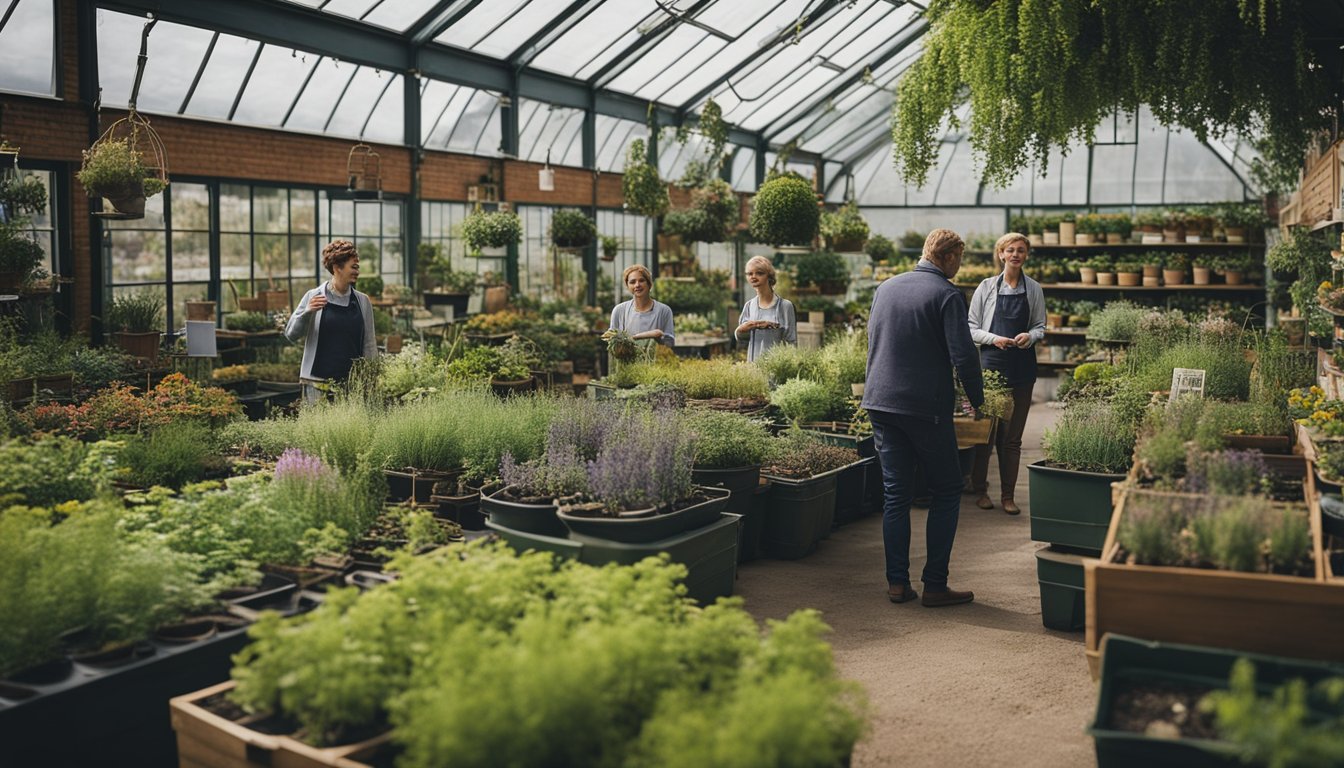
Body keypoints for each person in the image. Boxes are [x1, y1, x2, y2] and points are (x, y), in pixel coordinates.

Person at [862, 228, 983, 608]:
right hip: (923, 406)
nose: (959, 267)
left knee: (896, 495)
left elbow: (873, 338)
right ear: (947, 257)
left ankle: (897, 584)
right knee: (947, 489)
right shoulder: (947, 294)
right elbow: (963, 355)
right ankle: (934, 585)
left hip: (880, 401)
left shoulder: (886, 288)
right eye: (959, 259)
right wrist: (977, 401)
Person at [966, 233, 1045, 515]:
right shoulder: (986, 287)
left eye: (1021, 250)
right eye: (1010, 250)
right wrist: (993, 338)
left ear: (1026, 255)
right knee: (986, 434)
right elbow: (971, 327)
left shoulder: (1034, 288)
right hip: (991, 367)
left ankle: (1008, 497)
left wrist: (1030, 336)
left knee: (1012, 438)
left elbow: (1040, 326)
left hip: (1022, 369)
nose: (1015, 255)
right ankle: (980, 490)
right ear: (1000, 254)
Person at [284, 239, 378, 404]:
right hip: (316, 385)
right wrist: (307, 312)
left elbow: (369, 343)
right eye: (353, 267)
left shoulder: (363, 301)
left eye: (358, 267)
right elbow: (291, 334)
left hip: (351, 384)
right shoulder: (314, 296)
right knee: (316, 429)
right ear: (337, 268)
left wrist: (372, 378)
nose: (357, 271)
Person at [735, 255, 797, 361]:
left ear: (769, 276)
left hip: (777, 368)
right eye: (750, 274)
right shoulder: (749, 306)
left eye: (759, 273)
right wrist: (745, 328)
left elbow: (791, 342)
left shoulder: (785, 306)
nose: (753, 277)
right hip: (753, 370)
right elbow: (741, 339)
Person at [609, 264, 675, 346]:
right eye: (632, 282)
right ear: (627, 286)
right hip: (626, 359)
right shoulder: (619, 311)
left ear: (649, 283)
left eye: (641, 280)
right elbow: (612, 342)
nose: (637, 285)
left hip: (655, 358)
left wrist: (656, 338)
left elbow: (670, 343)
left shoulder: (664, 311)